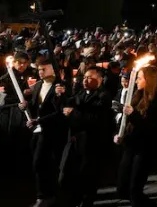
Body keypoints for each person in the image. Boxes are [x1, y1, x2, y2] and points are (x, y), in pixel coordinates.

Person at [58, 67, 113, 207]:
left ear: (99, 80)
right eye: (84, 77)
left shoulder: (104, 96)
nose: (85, 80)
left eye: (89, 78)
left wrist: (74, 113)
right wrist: (62, 95)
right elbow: (72, 103)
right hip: (75, 141)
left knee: (88, 175)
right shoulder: (82, 92)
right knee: (68, 172)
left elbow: (96, 118)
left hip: (91, 142)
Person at [19, 56, 68, 207]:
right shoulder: (39, 85)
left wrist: (39, 120)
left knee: (41, 162)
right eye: (38, 69)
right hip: (37, 129)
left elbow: (60, 111)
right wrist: (25, 106)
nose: (40, 72)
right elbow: (35, 107)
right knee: (39, 162)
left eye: (43, 69)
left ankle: (46, 195)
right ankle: (45, 193)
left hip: (51, 131)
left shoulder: (61, 86)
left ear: (53, 69)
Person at [115, 65, 157, 207]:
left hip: (144, 148)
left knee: (134, 192)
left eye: (139, 78)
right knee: (122, 188)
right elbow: (127, 122)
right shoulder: (136, 95)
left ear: (148, 80)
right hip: (130, 146)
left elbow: (151, 125)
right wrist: (120, 134)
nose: (136, 81)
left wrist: (133, 114)